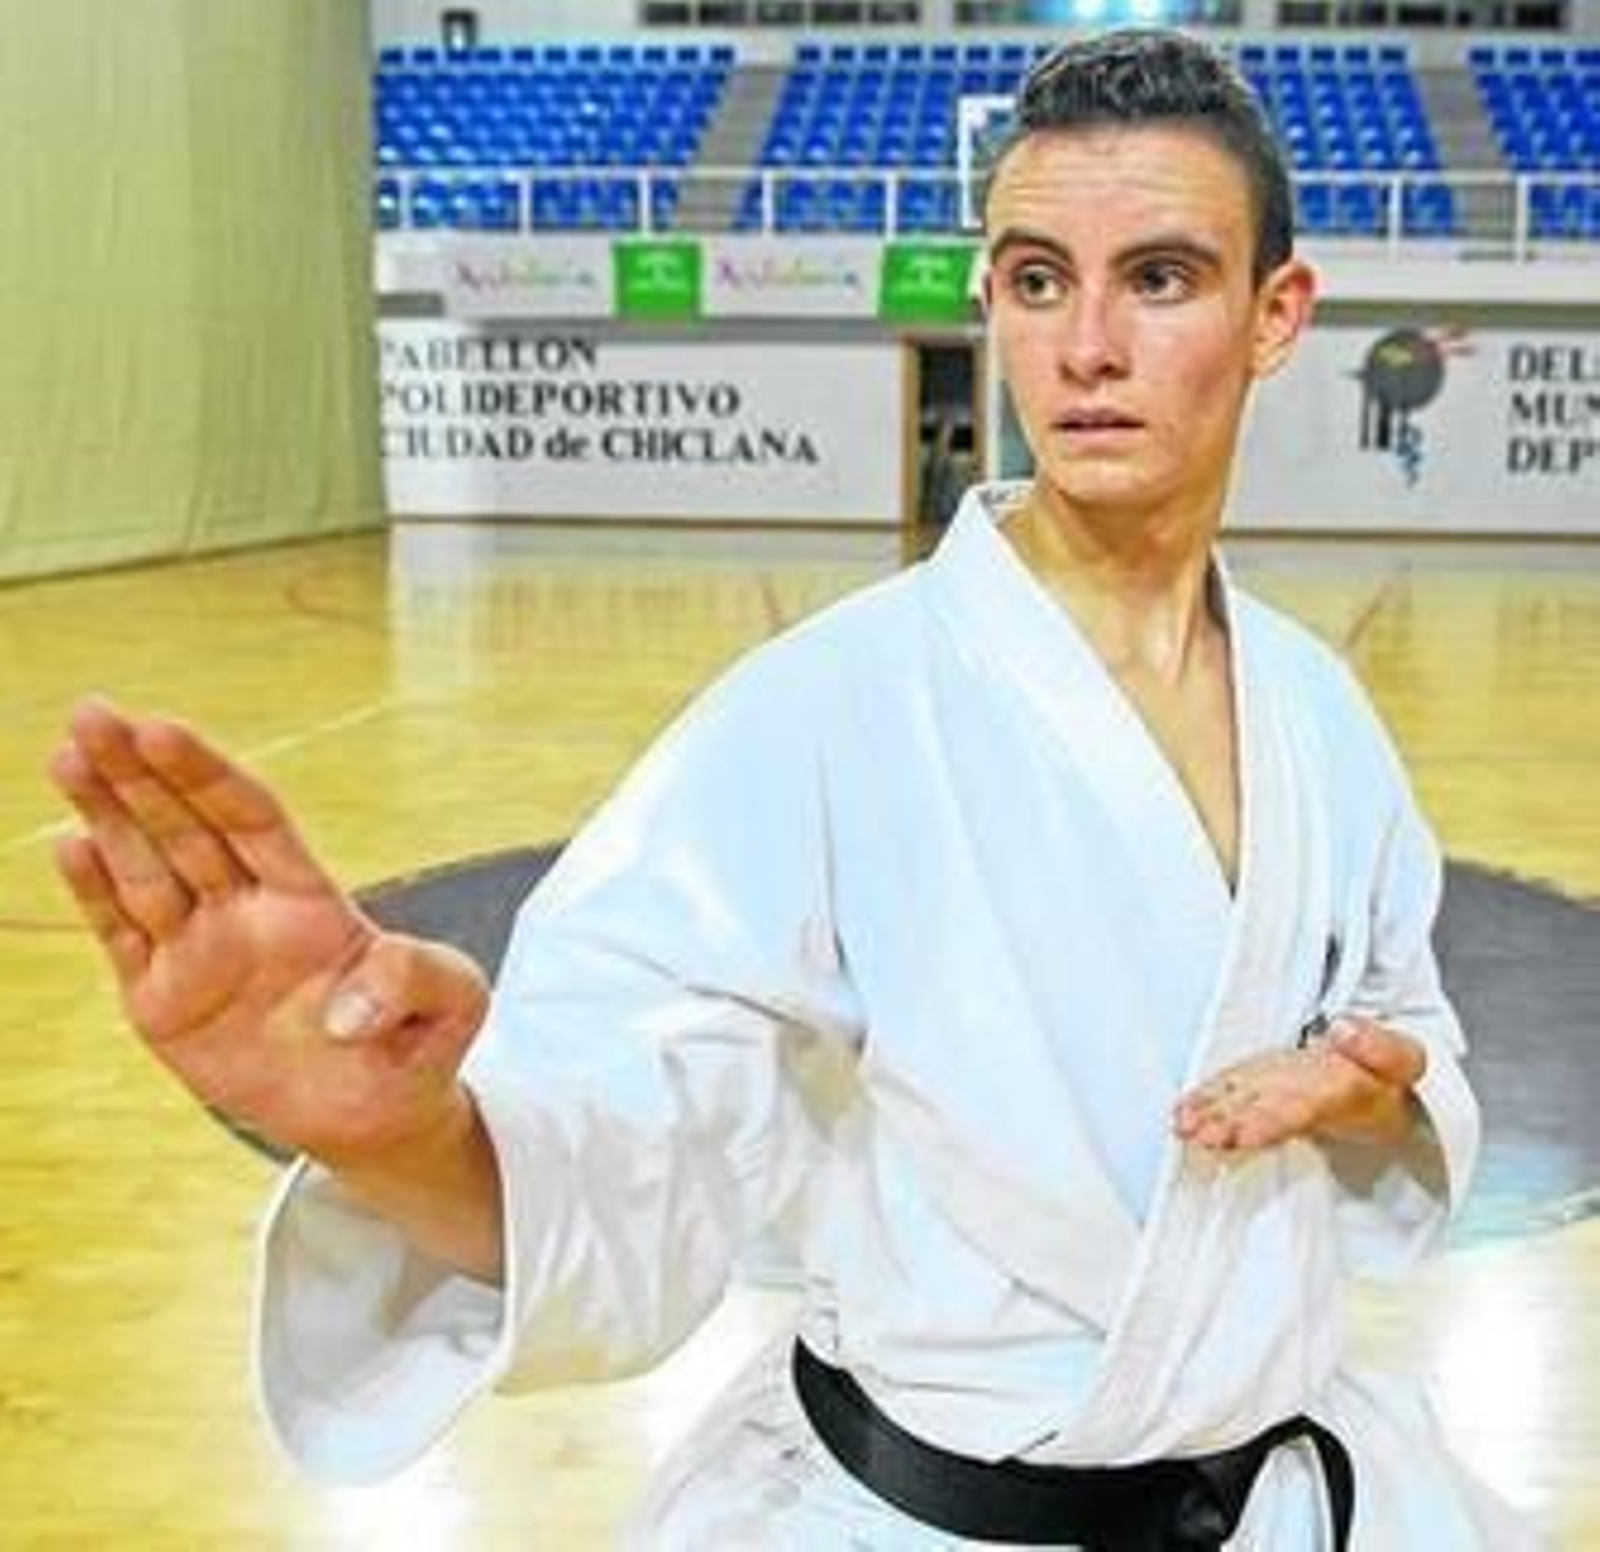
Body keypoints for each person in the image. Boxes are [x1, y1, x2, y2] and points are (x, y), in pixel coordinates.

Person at [50, 28, 1541, 1550]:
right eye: (1037, 280)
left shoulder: (1318, 712)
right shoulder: (820, 712)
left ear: (1276, 312)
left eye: (1158, 279)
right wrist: (399, 1138)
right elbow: (630, 1127)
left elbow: (1399, 1029)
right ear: (991, 300)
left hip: (1290, 1497)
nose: (1087, 345)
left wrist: (1377, 1091)